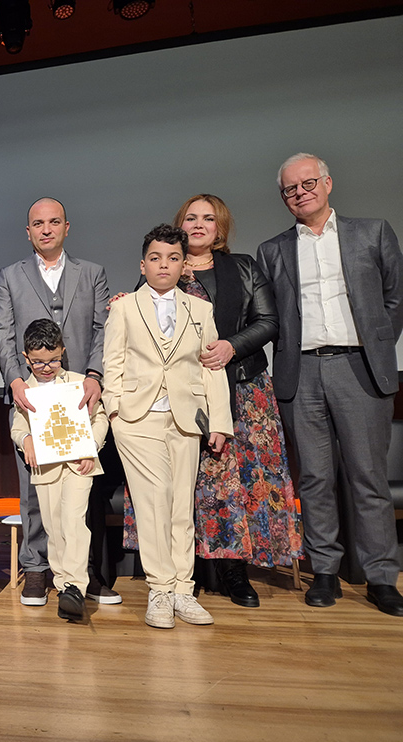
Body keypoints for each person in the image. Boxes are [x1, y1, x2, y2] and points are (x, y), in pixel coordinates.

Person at [119, 195, 304, 607]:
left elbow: (269, 321)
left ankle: (235, 572)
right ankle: (184, 575)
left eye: (209, 218)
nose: (199, 224)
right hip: (177, 399)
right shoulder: (160, 270)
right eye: (191, 217)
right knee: (188, 487)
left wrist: (230, 347)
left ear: (220, 227)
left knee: (235, 484)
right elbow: (138, 330)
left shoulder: (243, 267)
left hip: (241, 388)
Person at [257, 153, 403, 617]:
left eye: (308, 183)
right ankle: (324, 571)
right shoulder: (272, 249)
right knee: (315, 478)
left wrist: (376, 344)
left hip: (358, 367)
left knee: (368, 477)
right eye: (290, 189)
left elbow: (395, 298)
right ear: (284, 198)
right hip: (301, 372)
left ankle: (381, 576)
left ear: (328, 183)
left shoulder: (372, 232)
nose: (300, 193)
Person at [103, 224, 232, 629]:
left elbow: (211, 368)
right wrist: (115, 413)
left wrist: (220, 421)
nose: (164, 265)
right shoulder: (124, 308)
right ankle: (160, 590)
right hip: (137, 419)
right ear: (143, 264)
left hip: (185, 418)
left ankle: (183, 590)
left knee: (181, 507)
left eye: (173, 258)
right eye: (156, 258)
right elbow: (113, 362)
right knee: (152, 502)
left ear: (183, 264)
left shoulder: (201, 310)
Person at [0, 197, 118, 608]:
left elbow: (102, 330)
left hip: (81, 393)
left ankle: (86, 574)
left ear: (67, 227)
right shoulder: (10, 277)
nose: (46, 229)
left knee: (85, 484)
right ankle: (35, 567)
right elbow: (4, 335)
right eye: (37, 224)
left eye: (53, 222)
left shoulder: (93, 273)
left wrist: (96, 377)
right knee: (34, 486)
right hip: (31, 392)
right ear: (28, 232)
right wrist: (14, 381)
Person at [10, 318, 109, 622]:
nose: (46, 367)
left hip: (80, 463)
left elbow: (100, 418)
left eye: (53, 360)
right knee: (53, 527)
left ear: (63, 352)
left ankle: (75, 588)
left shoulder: (80, 382)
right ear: (27, 357)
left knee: (73, 520)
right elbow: (17, 427)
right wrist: (26, 439)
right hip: (46, 467)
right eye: (39, 362)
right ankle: (64, 584)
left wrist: (91, 447)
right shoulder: (24, 390)